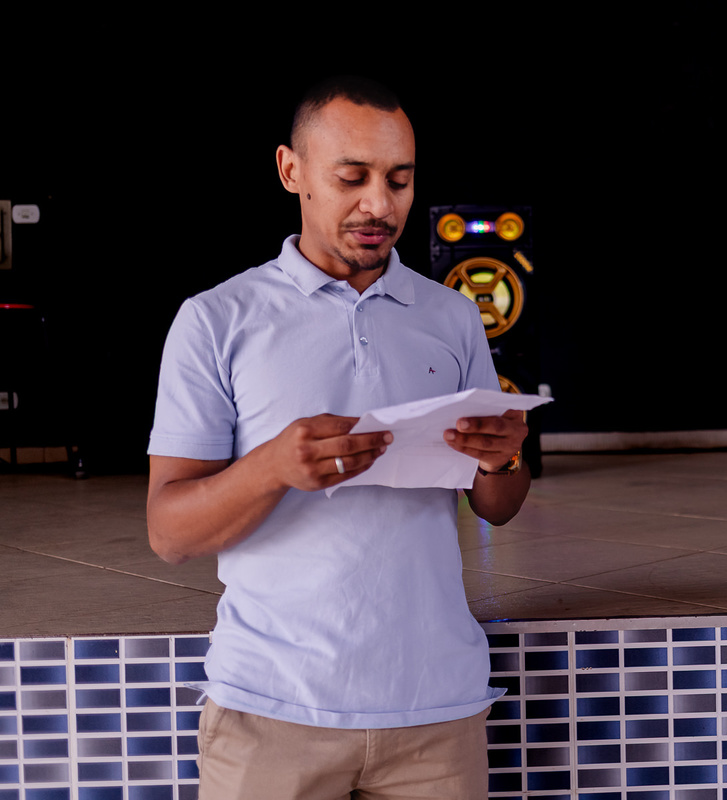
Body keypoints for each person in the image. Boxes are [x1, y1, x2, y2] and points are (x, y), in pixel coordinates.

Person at [146, 76, 530, 800]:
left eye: (399, 180)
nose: (380, 205)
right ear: (292, 172)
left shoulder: (452, 317)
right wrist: (270, 467)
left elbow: (500, 506)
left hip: (437, 713)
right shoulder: (216, 320)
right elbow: (169, 531)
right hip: (270, 712)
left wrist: (500, 457)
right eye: (351, 178)